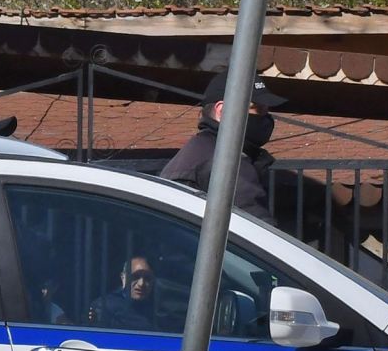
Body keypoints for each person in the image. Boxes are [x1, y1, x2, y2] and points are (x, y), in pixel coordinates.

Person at [160, 73, 285, 224]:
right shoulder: (225, 159)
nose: (265, 118)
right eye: (257, 109)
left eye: (266, 110)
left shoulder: (202, 149)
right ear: (222, 111)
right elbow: (258, 227)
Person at [87, 254, 160, 330]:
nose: (141, 284)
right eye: (135, 277)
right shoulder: (104, 307)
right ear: (123, 278)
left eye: (147, 278)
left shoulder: (160, 310)